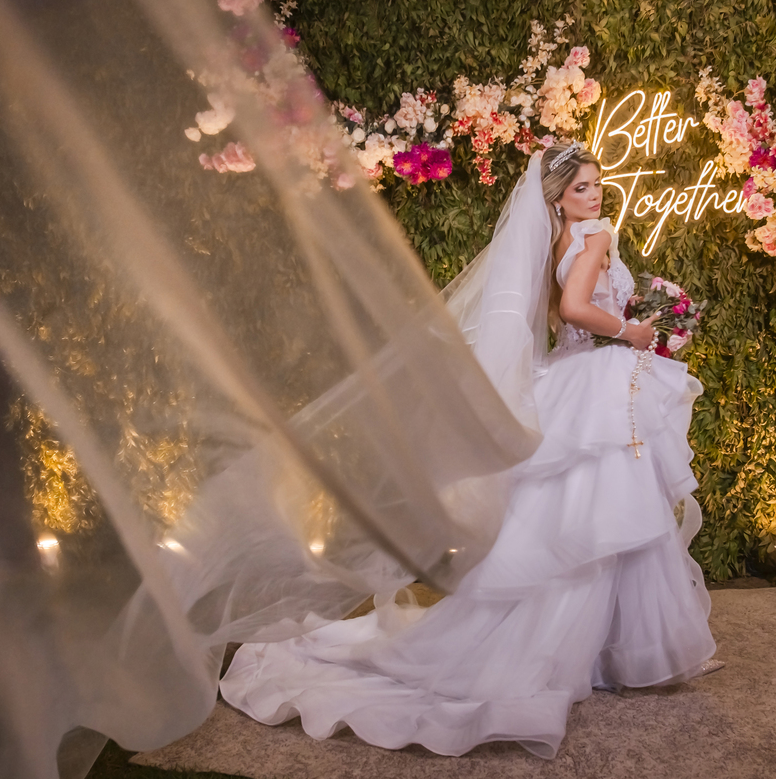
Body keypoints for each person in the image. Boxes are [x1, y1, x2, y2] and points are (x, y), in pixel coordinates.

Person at [219, 142, 719, 758]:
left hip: (573, 380)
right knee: (606, 519)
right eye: (582, 188)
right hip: (598, 380)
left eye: (597, 185)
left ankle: (601, 651)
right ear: (558, 197)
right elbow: (573, 310)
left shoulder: (556, 242)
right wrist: (632, 329)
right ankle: (623, 654)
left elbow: (556, 313)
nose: (595, 196)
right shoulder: (594, 237)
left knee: (585, 521)